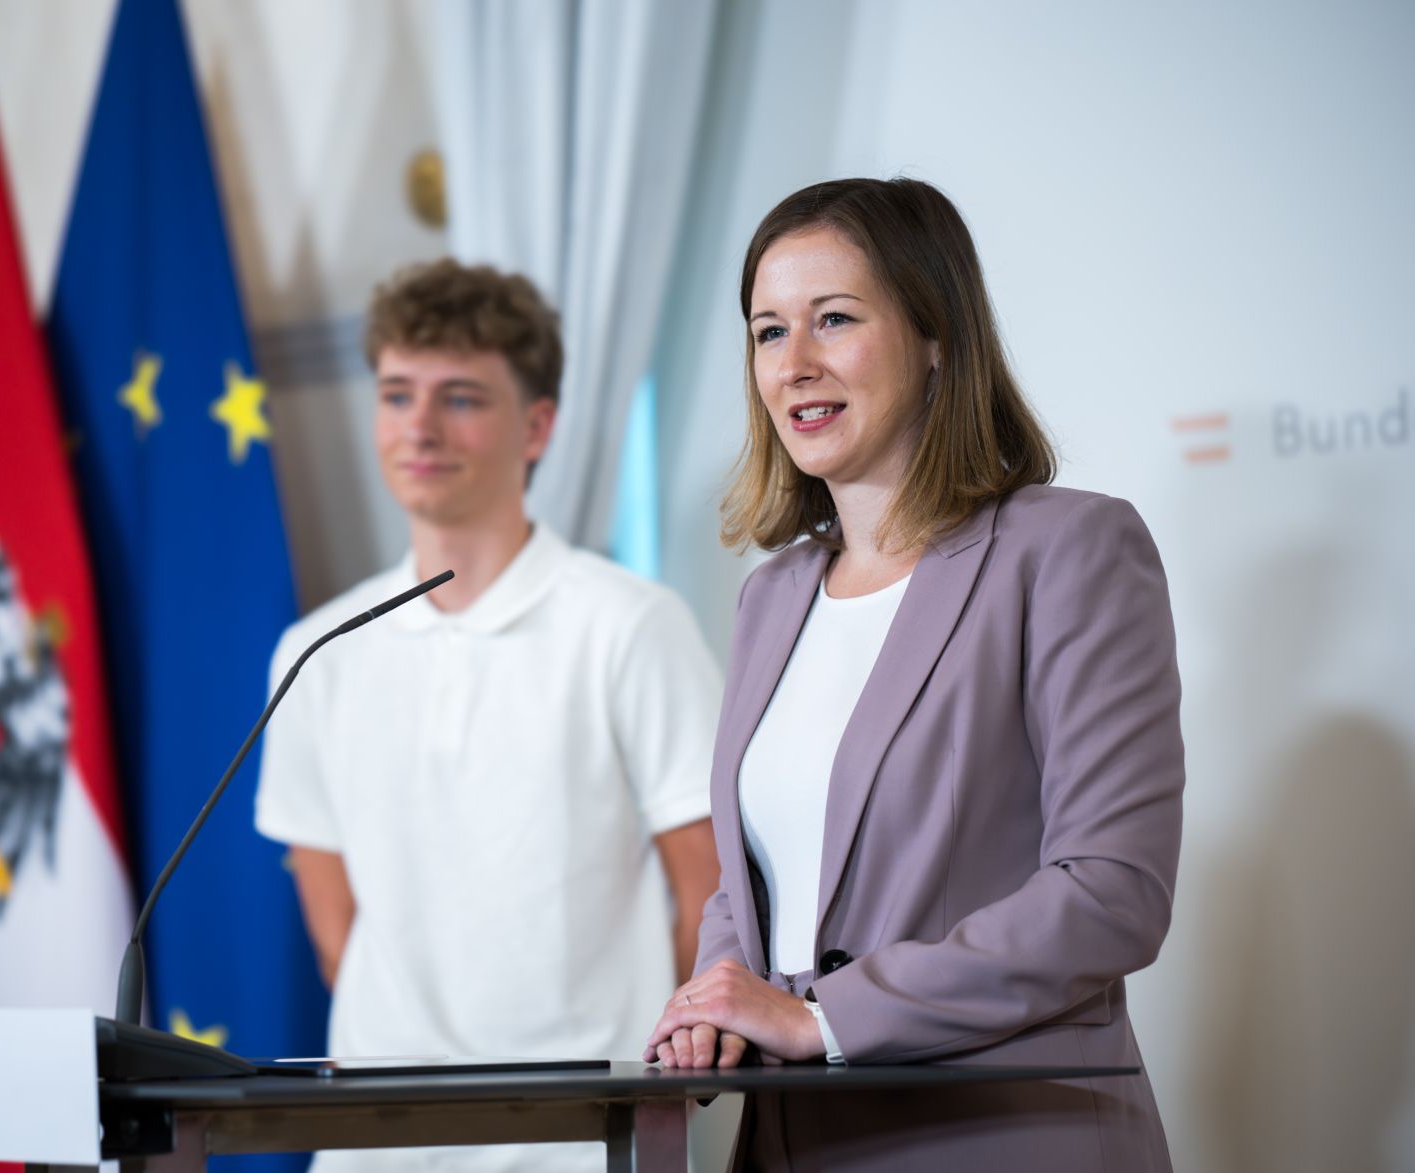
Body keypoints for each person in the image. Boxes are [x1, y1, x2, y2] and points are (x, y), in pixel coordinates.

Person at [643, 178, 1182, 1171]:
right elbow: (752, 882)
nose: (793, 364)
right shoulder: (772, 595)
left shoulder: (1064, 551)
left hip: (999, 1136)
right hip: (791, 1141)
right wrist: (719, 1000)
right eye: (767, 332)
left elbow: (1110, 892)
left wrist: (825, 1017)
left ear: (936, 338)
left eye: (833, 320)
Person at [256, 259, 724, 1172]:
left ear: (537, 424)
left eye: (461, 397)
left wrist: (639, 1073)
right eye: (396, 394)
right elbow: (330, 914)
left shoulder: (629, 623)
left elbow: (707, 893)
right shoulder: (318, 649)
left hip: (580, 1143)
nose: (419, 427)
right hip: (372, 1145)